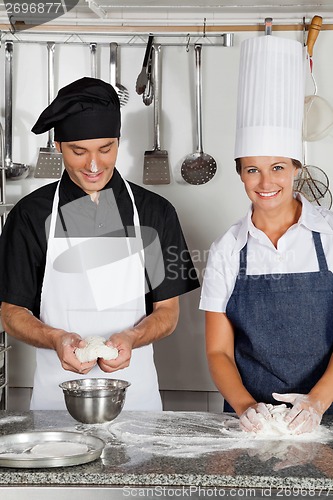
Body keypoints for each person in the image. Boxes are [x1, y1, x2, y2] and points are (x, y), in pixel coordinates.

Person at [0, 77, 200, 411]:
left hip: (137, 401)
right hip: (56, 402)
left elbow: (167, 313)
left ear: (118, 142)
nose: (94, 165)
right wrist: (56, 339)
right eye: (79, 151)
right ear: (60, 145)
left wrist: (131, 337)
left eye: (105, 149)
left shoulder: (156, 212)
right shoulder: (29, 216)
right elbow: (11, 313)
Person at [199, 34, 333, 434]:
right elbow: (218, 350)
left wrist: (316, 403)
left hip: (329, 411)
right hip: (249, 421)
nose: (265, 182)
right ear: (240, 173)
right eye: (252, 169)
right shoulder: (228, 248)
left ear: (296, 169)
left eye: (277, 167)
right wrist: (246, 409)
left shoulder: (328, 236)